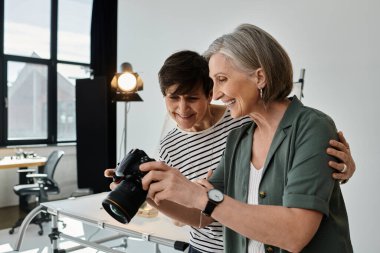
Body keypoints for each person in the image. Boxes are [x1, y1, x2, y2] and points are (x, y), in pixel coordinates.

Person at [106, 48, 355, 252]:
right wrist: (147, 193)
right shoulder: (170, 145)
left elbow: (295, 155)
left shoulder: (244, 122)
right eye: (173, 98)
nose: (182, 108)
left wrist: (342, 168)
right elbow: (196, 216)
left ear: (209, 94)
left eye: (192, 98)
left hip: (251, 240)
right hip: (205, 245)